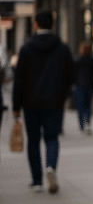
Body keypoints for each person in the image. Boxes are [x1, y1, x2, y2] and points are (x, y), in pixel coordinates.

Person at [12, 10, 74, 193]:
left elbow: (19, 80)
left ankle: (37, 180)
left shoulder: (26, 48)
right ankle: (51, 167)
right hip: (54, 102)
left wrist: (16, 106)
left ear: (36, 24)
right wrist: (63, 95)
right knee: (52, 138)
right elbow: (70, 75)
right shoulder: (62, 48)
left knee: (33, 140)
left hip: (30, 103)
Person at [73, 41, 93, 135]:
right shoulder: (92, 61)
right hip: (90, 86)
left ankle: (82, 126)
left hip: (80, 87)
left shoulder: (77, 61)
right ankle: (87, 124)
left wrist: (75, 82)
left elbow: (72, 74)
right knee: (88, 106)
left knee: (80, 107)